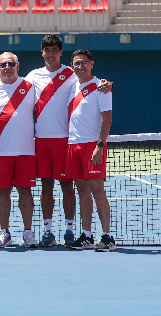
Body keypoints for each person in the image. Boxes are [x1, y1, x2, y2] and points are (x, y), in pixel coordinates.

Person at [0, 35, 113, 246]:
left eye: (55, 50)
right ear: (42, 53)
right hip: (40, 141)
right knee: (46, 186)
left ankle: (70, 230)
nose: (51, 54)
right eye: (47, 50)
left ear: (60, 52)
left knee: (67, 186)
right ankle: (48, 231)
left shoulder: (72, 73)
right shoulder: (33, 76)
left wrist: (107, 83)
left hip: (65, 140)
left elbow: (90, 80)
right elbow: (10, 80)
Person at [0, 52, 38, 248]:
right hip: (0, 152)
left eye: (11, 64)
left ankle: (28, 233)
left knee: (25, 192)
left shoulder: (30, 87)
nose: (7, 68)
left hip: (26, 151)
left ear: (17, 66)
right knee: (3, 193)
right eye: (3, 65)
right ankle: (4, 232)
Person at [65, 49, 115, 251]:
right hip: (72, 145)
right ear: (72, 66)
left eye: (84, 63)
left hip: (92, 145)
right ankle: (86, 235)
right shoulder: (71, 86)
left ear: (91, 64)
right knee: (82, 192)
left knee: (97, 191)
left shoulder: (101, 88)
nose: (80, 66)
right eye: (77, 63)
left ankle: (108, 237)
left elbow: (108, 118)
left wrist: (100, 145)